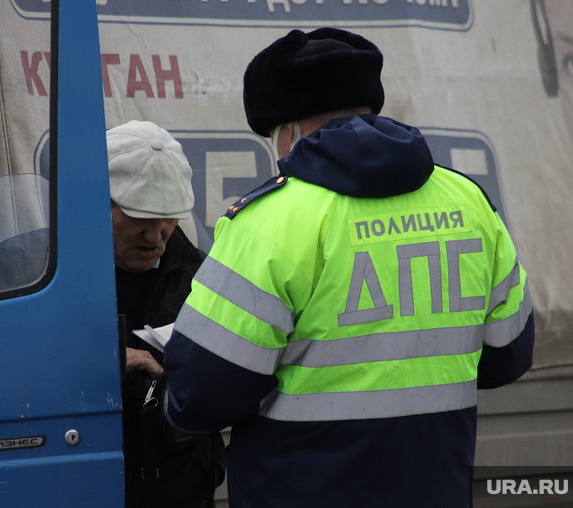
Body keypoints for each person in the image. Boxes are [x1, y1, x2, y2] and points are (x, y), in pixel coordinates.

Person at [161, 28, 534, 507]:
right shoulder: (469, 202)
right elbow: (508, 356)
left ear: (287, 129)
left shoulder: (269, 221)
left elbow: (201, 396)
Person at [107, 120, 226, 508]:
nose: (156, 235)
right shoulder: (26, 271)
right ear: (95, 200)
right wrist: (97, 366)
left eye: (170, 217)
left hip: (183, 488)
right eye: (141, 216)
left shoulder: (206, 279)